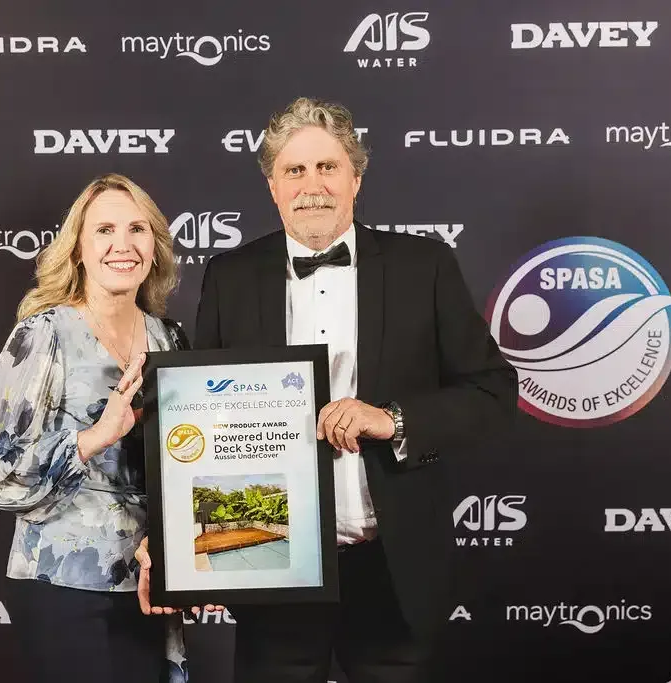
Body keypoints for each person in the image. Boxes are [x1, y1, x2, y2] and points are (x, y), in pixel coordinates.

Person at [193, 98, 519, 682]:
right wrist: (212, 551)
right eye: (294, 170)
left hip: (391, 562)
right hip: (272, 556)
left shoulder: (426, 265)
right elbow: (205, 420)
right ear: (272, 186)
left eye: (328, 167)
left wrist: (390, 418)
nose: (312, 185)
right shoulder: (230, 275)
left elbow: (493, 393)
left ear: (356, 178)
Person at [0, 173, 193, 683]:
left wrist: (173, 548)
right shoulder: (43, 334)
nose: (123, 245)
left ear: (155, 247)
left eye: (138, 229)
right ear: (77, 250)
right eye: (105, 230)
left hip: (150, 582)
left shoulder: (170, 339)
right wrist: (95, 437)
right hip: (63, 582)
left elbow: (183, 465)